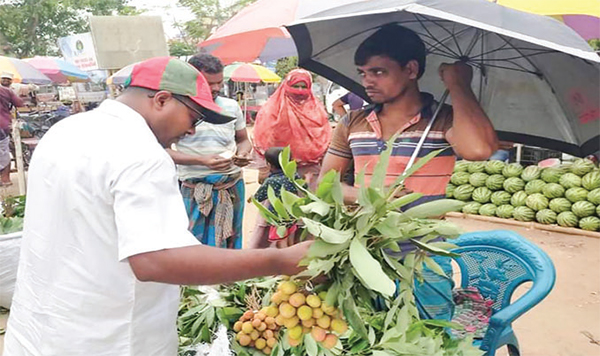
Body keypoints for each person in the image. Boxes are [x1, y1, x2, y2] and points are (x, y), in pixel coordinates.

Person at [3, 57, 311, 356]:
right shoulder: (142, 152)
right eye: (194, 117)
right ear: (161, 100)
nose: (192, 131)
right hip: (109, 340)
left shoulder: (66, 131)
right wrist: (278, 260)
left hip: (39, 332)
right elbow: (154, 261)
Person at [320, 25, 498, 321]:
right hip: (364, 252)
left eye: (378, 72)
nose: (367, 81)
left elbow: (478, 150)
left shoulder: (444, 120)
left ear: (411, 69)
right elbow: (326, 186)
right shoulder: (354, 122)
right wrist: (370, 196)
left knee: (427, 340)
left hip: (424, 258)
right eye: (363, 73)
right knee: (365, 340)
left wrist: (458, 85)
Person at [166, 54, 252, 249]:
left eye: (219, 83)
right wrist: (201, 160)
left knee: (231, 239)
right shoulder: (178, 109)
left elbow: (244, 140)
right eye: (208, 83)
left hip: (231, 184)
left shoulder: (231, 107)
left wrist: (243, 154)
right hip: (195, 188)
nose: (215, 88)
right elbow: (163, 151)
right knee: (192, 244)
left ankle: (229, 279)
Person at [253, 69, 332, 185]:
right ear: (286, 85)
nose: (299, 91)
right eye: (295, 86)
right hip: (279, 173)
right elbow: (262, 139)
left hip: (310, 173)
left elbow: (326, 140)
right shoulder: (271, 109)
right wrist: (263, 169)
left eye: (304, 87)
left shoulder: (318, 111)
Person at [248, 147, 301, 249]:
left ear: (269, 164)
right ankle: (290, 250)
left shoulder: (271, 181)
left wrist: (252, 198)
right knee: (289, 234)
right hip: (293, 212)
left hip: (278, 216)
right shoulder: (293, 176)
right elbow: (303, 187)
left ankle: (284, 257)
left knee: (281, 239)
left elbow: (260, 195)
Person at [0, 72, 23, 186]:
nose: (5, 81)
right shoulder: (7, 91)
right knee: (4, 152)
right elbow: (19, 103)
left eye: (7, 79)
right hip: (3, 124)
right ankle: (5, 179)